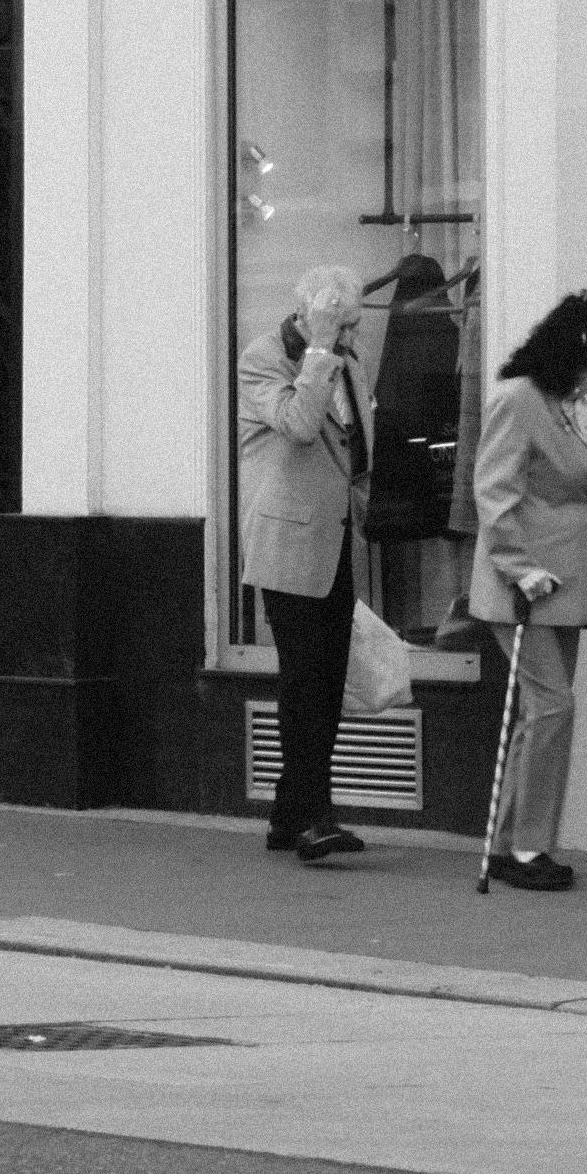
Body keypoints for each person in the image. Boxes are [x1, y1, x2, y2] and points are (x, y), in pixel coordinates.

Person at [470, 289, 587, 892]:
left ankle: (516, 842)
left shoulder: (569, 404)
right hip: (527, 587)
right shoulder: (518, 401)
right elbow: (496, 491)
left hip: (566, 583)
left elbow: (568, 477)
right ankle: (526, 850)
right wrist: (517, 565)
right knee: (552, 708)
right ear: (578, 353)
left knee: (542, 715)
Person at [237, 264, 374, 864]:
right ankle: (313, 818)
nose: (352, 335)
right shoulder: (264, 359)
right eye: (342, 324)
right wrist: (319, 351)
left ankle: (289, 818)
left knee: (326, 681)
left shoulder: (348, 361)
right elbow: (297, 425)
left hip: (338, 537)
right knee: (305, 681)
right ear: (311, 317)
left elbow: (357, 447)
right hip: (287, 542)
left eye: (353, 325)